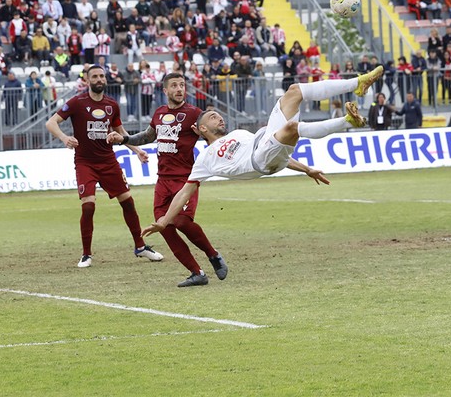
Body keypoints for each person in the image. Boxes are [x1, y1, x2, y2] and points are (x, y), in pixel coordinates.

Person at [142, 67, 384, 236]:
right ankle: (347, 122)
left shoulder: (237, 134)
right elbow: (184, 193)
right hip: (260, 161)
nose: (220, 118)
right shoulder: (203, 159)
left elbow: (282, 156)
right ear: (202, 127)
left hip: (265, 144)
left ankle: (357, 83)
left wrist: (307, 170)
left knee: (294, 91)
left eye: (219, 115)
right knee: (291, 128)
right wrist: (164, 221)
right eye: (213, 117)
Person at [107, 73, 228, 287]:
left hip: (186, 179)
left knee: (181, 221)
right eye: (174, 85)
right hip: (162, 180)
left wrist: (210, 140)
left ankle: (213, 254)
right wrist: (123, 139)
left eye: (182, 85)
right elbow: (147, 136)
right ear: (165, 91)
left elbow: (212, 133)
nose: (179, 89)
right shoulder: (160, 113)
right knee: (164, 226)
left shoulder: (194, 114)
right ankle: (196, 272)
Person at [45, 65, 164, 268]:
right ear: (88, 80)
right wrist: (65, 138)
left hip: (108, 161)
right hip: (85, 162)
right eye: (95, 76)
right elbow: (51, 122)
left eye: (102, 76)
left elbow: (120, 132)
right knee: (89, 205)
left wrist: (136, 150)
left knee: (128, 202)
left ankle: (140, 246)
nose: (99, 79)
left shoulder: (112, 105)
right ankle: (86, 254)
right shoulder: (77, 102)